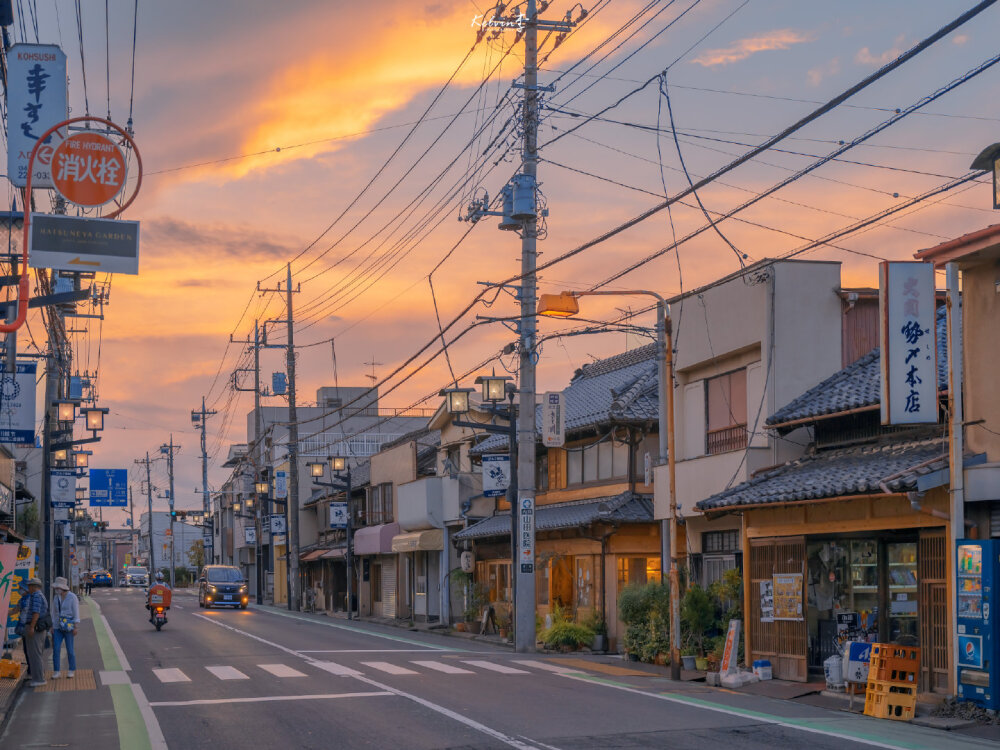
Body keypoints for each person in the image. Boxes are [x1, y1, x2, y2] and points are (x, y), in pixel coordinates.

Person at [50, 577, 80, 679]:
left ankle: (71, 669)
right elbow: (53, 613)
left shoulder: (72, 597)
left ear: (63, 588)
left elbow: (76, 612)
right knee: (56, 649)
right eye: (56, 587)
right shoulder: (55, 597)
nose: (56, 589)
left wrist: (76, 626)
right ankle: (56, 671)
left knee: (70, 649)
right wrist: (52, 626)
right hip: (57, 627)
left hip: (69, 626)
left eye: (58, 587)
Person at [22, 577, 49, 688]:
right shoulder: (38, 595)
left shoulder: (36, 596)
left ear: (33, 586)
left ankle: (39, 679)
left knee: (34, 654)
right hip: (39, 629)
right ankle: (39, 676)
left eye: (29, 586)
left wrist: (32, 627)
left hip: (35, 628)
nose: (28, 588)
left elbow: (36, 613)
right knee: (36, 654)